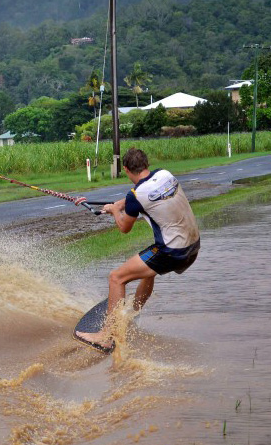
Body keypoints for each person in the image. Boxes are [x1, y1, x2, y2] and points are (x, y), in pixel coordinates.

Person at [75, 147, 200, 352]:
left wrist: (115, 210)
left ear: (125, 169)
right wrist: (120, 203)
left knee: (116, 277)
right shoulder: (165, 174)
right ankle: (131, 314)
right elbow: (139, 198)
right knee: (148, 270)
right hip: (193, 247)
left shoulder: (135, 196)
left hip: (171, 251)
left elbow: (124, 227)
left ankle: (107, 335)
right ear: (146, 164)